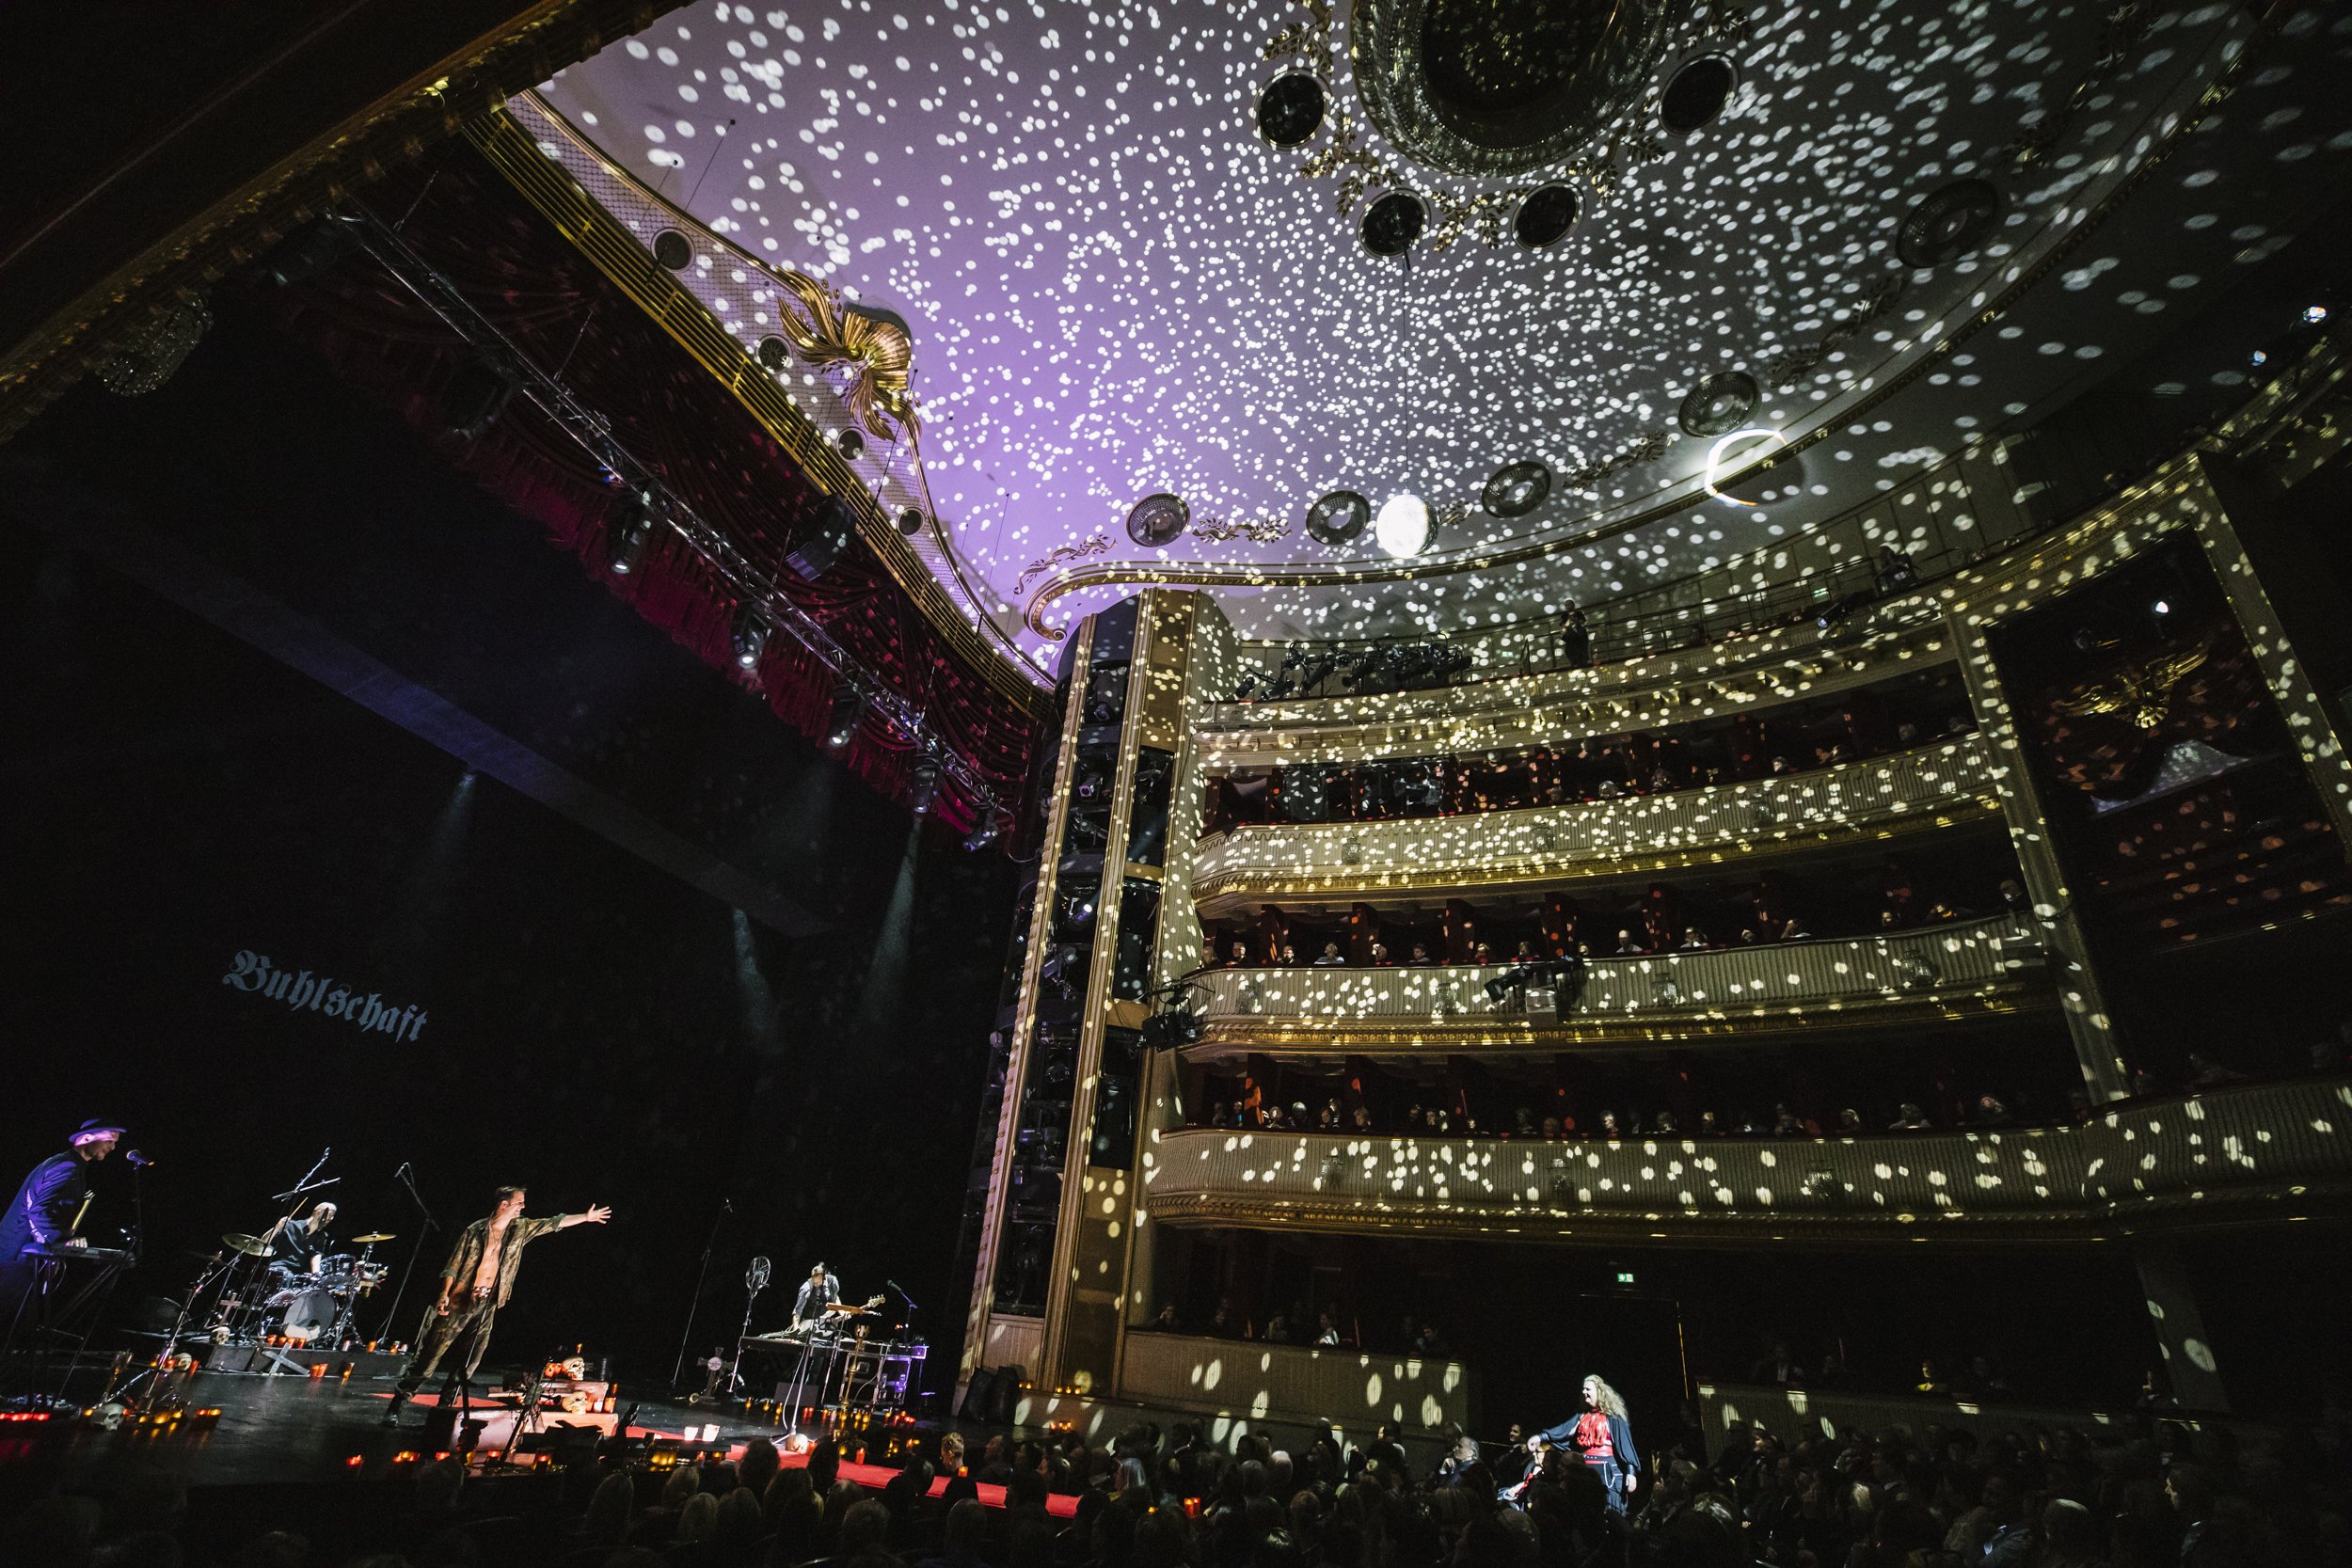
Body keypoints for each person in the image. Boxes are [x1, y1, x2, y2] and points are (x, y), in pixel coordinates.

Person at [384, 1185, 611, 1424]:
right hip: (459, 1302)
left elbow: (554, 1223)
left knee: (469, 1362)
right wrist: (444, 1293)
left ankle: (445, 1410)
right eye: (519, 1202)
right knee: (428, 1359)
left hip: (487, 1305)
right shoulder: (474, 1231)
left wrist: (585, 1218)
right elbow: (453, 1265)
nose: (523, 1207)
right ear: (504, 1204)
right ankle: (397, 1405)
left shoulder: (519, 1229)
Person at [0, 1118, 125, 1317]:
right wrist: (61, 1241)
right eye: (109, 1140)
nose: (113, 1147)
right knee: (12, 1324)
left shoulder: (67, 1164)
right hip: (17, 1255)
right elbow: (38, 1211)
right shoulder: (67, 1167)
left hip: (19, 1253)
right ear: (86, 1138)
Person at [1533, 1374, 1639, 1513]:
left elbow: (1626, 1447)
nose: (1584, 1392)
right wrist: (1540, 1437)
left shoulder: (1614, 1419)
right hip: (1583, 1470)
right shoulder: (1581, 1417)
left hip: (1607, 1472)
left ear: (1599, 1392)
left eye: (1588, 1389)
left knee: (1607, 1510)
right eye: (1583, 1389)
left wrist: (1631, 1473)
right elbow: (1562, 1431)